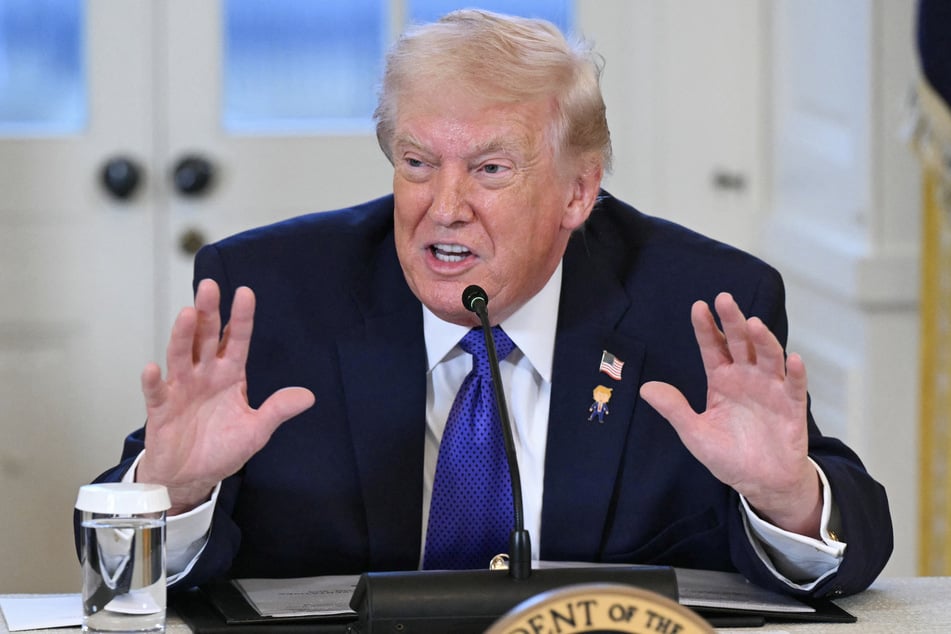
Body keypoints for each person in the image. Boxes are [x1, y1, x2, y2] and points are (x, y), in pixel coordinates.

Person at [82, 10, 892, 599]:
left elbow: (854, 552)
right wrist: (171, 491)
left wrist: (782, 499)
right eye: (417, 162)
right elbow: (113, 580)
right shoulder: (275, 297)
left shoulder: (695, 306)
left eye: (492, 170)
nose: (444, 206)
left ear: (579, 191)